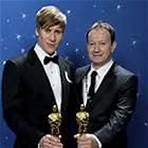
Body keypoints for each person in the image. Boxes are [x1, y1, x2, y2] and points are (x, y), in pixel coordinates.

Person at [2, 5, 75, 148]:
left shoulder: (69, 67)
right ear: (37, 30)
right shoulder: (16, 66)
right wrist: (39, 139)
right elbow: (11, 114)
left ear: (63, 35)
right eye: (47, 30)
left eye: (58, 32)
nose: (53, 38)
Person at [74, 21, 138, 148]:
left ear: (113, 46)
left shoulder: (126, 79)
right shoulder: (78, 74)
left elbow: (119, 119)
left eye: (102, 44)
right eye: (92, 44)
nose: (96, 49)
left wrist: (96, 140)